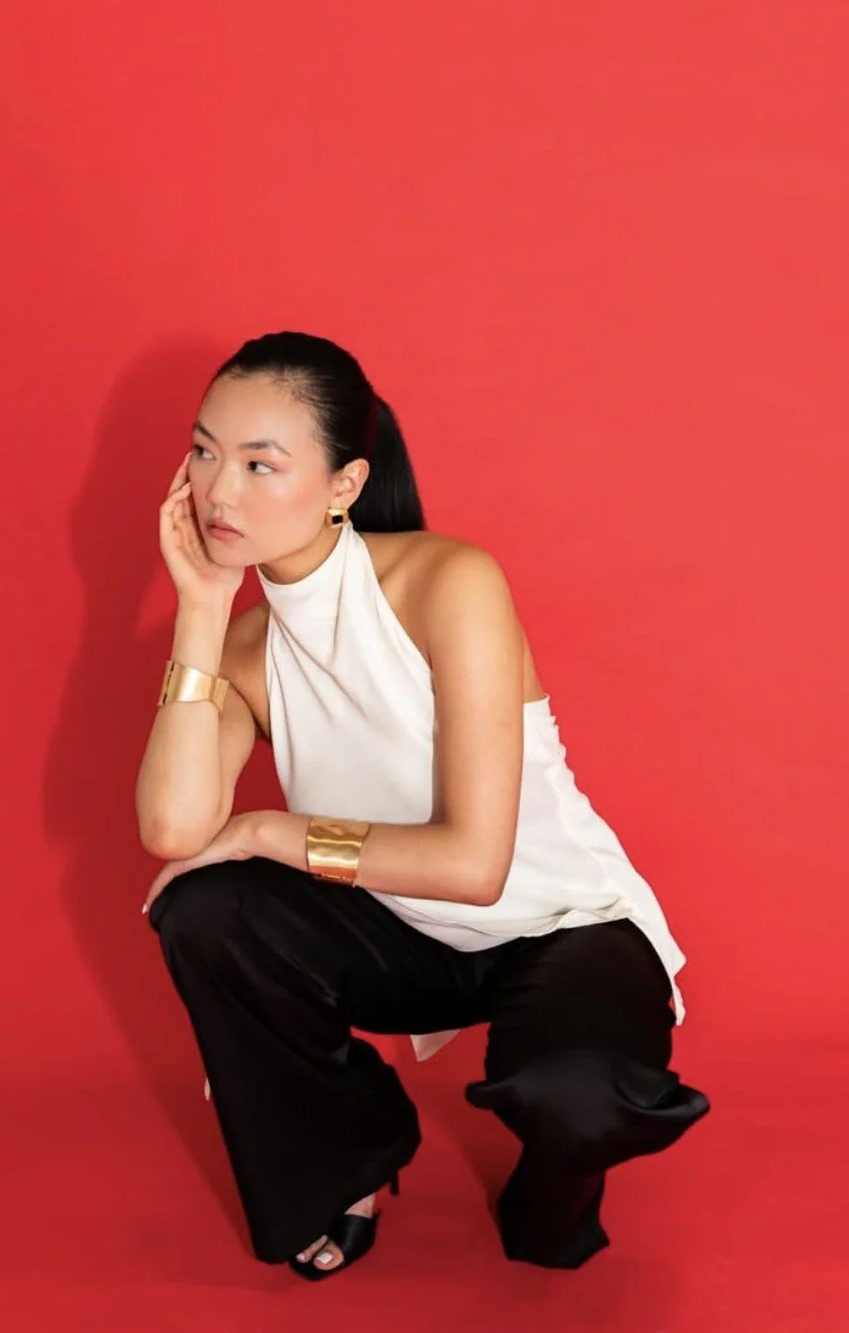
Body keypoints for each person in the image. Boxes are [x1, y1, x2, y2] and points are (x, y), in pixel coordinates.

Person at [134, 330, 710, 1281]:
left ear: (343, 485)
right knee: (204, 910)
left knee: (574, 1108)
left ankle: (555, 1179)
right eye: (202, 452)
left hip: (557, 923)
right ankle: (349, 1151)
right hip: (403, 935)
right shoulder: (239, 650)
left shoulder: (447, 582)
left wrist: (267, 829)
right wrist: (200, 608)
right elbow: (171, 833)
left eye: (257, 463)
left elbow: (473, 865)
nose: (218, 490)